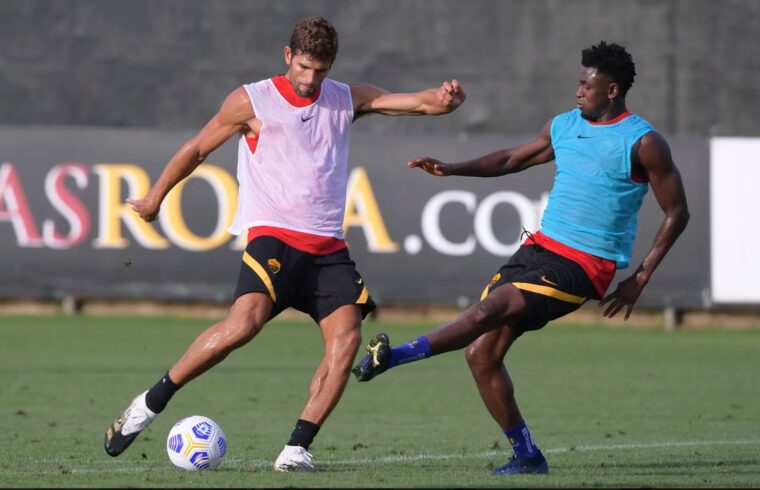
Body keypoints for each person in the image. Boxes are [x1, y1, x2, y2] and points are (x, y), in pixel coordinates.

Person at [103, 16, 466, 472]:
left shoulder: (346, 98)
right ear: (287, 55)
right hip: (273, 235)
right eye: (305, 67)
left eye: (322, 70)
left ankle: (296, 448)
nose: (312, 80)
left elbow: (417, 103)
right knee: (244, 324)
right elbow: (198, 149)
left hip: (328, 248)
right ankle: (149, 404)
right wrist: (156, 197)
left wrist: (445, 101)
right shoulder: (251, 100)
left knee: (347, 338)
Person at [352, 41, 689, 476]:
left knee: (488, 309)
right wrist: (452, 168)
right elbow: (511, 159)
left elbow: (677, 213)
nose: (578, 91)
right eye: (577, 82)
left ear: (612, 90)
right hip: (538, 249)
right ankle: (528, 456)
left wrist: (640, 278)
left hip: (585, 266)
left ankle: (394, 356)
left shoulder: (643, 142)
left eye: (587, 84)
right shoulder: (565, 126)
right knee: (481, 356)